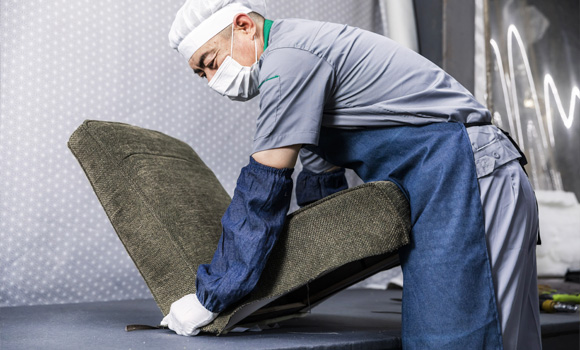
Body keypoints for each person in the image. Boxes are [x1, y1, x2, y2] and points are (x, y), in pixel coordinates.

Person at [162, 1, 542, 348]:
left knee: (459, 339)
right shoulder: (300, 60)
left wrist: (212, 295)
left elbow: (263, 187)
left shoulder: (289, 59)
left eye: (210, 62)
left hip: (471, 177)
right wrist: (284, 292)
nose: (213, 80)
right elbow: (325, 198)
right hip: (454, 180)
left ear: (244, 26)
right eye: (201, 75)